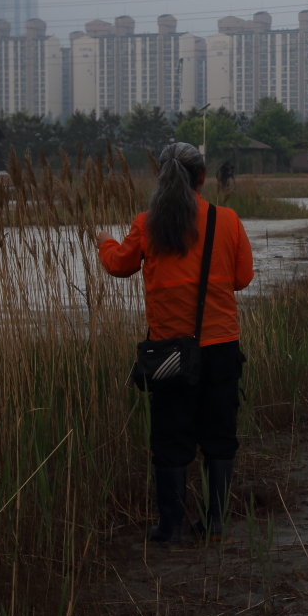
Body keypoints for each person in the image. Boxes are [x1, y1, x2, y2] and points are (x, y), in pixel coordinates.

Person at [96, 142, 254, 544]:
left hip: (168, 351)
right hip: (221, 345)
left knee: (170, 436)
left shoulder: (146, 223)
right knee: (219, 434)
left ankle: (169, 529)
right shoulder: (227, 219)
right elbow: (242, 279)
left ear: (161, 176)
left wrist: (104, 241)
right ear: (203, 177)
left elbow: (119, 266)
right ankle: (214, 524)